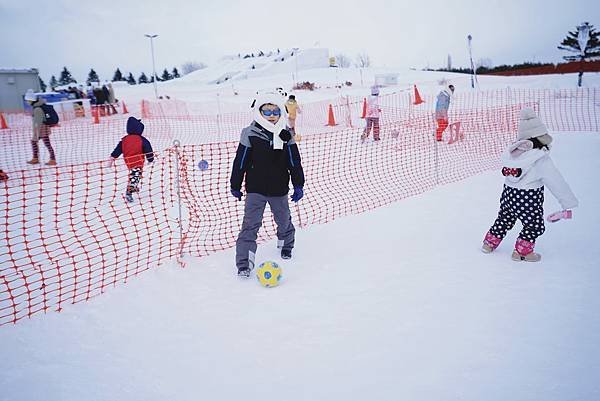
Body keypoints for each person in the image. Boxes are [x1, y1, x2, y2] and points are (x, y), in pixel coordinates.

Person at [481, 108, 578, 262]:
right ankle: (522, 253)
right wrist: (568, 201)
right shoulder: (540, 158)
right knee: (534, 225)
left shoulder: (513, 153)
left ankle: (489, 243)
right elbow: (556, 181)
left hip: (509, 195)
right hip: (529, 198)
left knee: (504, 218)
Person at [230, 93, 305, 277]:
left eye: (276, 111)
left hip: (279, 188)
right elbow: (241, 161)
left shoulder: (286, 134)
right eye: (267, 111)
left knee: (283, 220)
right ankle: (244, 263)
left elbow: (294, 161)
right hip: (255, 188)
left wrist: (298, 184)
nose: (272, 115)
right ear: (259, 112)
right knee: (250, 225)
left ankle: (286, 245)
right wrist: (235, 184)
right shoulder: (250, 133)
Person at [109, 116, 154, 203]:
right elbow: (148, 149)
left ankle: (134, 186)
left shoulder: (124, 140)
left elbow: (118, 150)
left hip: (128, 161)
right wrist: (150, 159)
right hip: (138, 161)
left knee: (135, 174)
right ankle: (129, 192)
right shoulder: (142, 139)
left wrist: (112, 157)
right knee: (136, 174)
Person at [25, 90, 57, 166]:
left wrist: (36, 134)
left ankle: (53, 159)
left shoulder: (37, 109)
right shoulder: (36, 107)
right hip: (41, 129)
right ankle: (35, 158)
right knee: (34, 142)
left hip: (42, 129)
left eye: (28, 101)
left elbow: (38, 122)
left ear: (31, 100)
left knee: (47, 144)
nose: (27, 102)